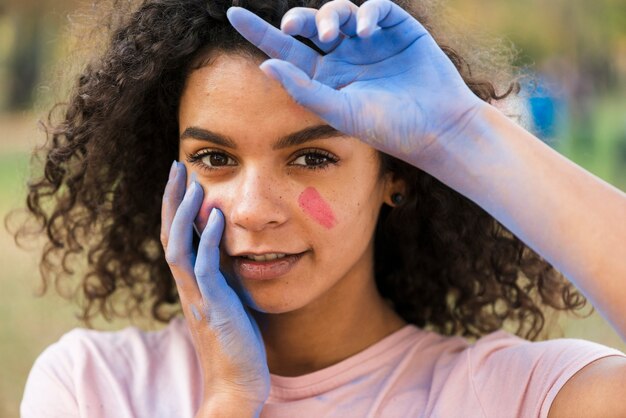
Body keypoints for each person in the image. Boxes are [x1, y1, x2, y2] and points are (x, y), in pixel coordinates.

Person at [15, 0, 626, 416]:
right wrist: (230, 396)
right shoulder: (93, 385)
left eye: (310, 158)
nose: (253, 210)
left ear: (397, 174)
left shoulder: (511, 396)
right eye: (213, 157)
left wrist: (463, 130)